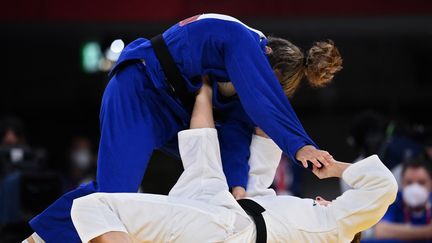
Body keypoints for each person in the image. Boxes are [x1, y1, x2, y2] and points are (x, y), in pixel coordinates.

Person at [26, 13, 343, 242]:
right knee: (115, 196)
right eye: (267, 83)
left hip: (175, 113)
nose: (258, 89)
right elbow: (264, 100)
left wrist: (237, 190)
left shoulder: (247, 89)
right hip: (139, 90)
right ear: (268, 56)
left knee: (205, 180)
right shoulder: (239, 38)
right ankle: (41, 238)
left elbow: (235, 137)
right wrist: (301, 144)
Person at [69, 81, 396, 243]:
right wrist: (209, 85)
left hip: (229, 232)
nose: (323, 200)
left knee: (94, 207)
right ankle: (205, 86)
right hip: (223, 220)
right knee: (204, 167)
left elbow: (383, 186)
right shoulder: (275, 207)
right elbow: (217, 152)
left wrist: (335, 168)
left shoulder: (337, 228)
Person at [375, 158, 432, 243]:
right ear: (402, 183)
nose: (415, 188)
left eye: (421, 182)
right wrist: (426, 231)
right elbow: (380, 231)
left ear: (431, 183)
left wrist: (400, 231)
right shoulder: (393, 199)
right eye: (409, 183)